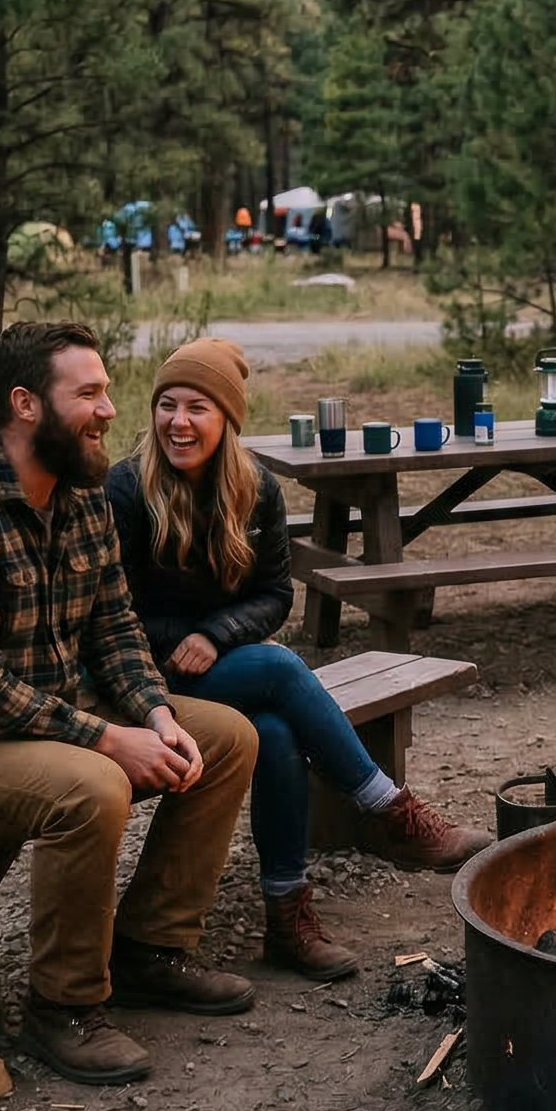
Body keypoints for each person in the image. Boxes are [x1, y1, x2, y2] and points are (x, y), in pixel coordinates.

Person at [0, 321, 259, 1088]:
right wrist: (109, 739)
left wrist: (158, 715)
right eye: (90, 393)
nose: (110, 410)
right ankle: (61, 1006)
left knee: (226, 736)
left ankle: (149, 951)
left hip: (36, 715)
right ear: (25, 404)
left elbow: (116, 631)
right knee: (92, 786)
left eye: (106, 392)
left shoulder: (81, 499)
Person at [106, 339, 490, 981]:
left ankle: (287, 918)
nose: (178, 421)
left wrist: (219, 635)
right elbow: (114, 605)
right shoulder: (127, 487)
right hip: (145, 674)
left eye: (196, 406)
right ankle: (388, 810)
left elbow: (275, 593)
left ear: (227, 418)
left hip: (221, 665)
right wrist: (189, 639)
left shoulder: (254, 486)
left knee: (276, 732)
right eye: (166, 405)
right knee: (283, 670)